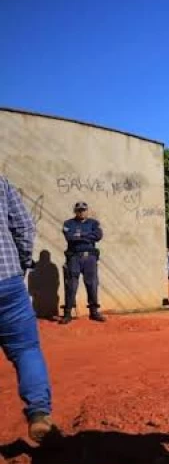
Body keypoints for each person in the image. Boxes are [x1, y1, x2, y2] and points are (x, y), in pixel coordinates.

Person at [0, 175, 57, 444]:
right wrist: (21, 263)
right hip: (7, 281)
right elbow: (23, 226)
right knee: (25, 350)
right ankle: (38, 413)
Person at [61, 201, 106, 324]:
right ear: (75, 211)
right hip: (74, 258)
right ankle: (68, 313)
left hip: (89, 258)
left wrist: (80, 235)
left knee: (92, 284)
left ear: (87, 211)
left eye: (83, 210)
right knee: (71, 285)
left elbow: (98, 236)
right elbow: (69, 237)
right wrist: (87, 235)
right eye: (79, 210)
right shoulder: (68, 223)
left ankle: (94, 312)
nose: (81, 212)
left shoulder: (93, 223)